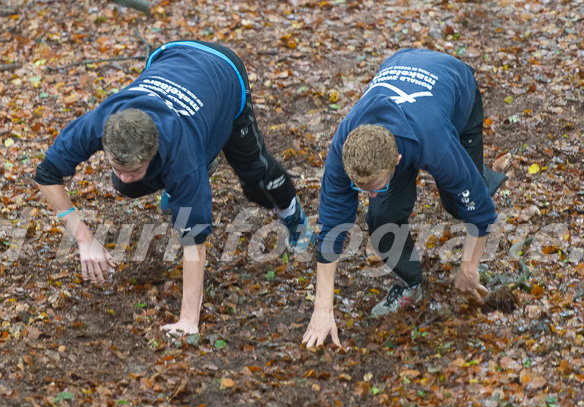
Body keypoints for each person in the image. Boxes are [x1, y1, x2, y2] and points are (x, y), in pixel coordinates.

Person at [34, 40, 314, 336]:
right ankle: (187, 168)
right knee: (126, 187)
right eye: (116, 166)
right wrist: (84, 239)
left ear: (155, 151)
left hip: (223, 73)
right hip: (172, 55)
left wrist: (188, 320)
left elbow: (194, 243)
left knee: (256, 178)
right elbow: (46, 174)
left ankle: (291, 212)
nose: (125, 175)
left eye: (135, 169)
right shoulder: (102, 121)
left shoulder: (183, 160)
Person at [303, 48, 506, 347]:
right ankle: (410, 283)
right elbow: (332, 229)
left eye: (375, 186)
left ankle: (479, 175)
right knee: (381, 216)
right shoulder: (344, 144)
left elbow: (481, 213)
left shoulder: (436, 142)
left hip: (456, 88)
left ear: (397, 161)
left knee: (458, 201)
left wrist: (469, 266)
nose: (367, 195)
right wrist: (322, 310)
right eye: (362, 189)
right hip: (401, 64)